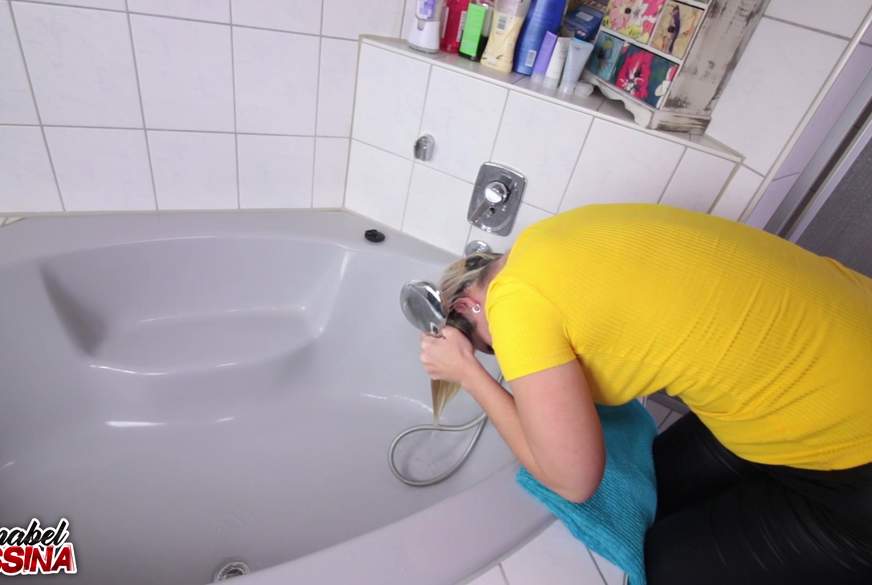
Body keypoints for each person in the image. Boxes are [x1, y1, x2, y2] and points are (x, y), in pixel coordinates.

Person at [418, 203, 872, 584]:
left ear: (466, 305)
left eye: (491, 348)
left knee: (665, 566)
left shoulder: (512, 305)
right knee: (657, 483)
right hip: (839, 346)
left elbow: (573, 481)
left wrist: (468, 372)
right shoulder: (541, 242)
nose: (503, 356)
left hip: (856, 452)